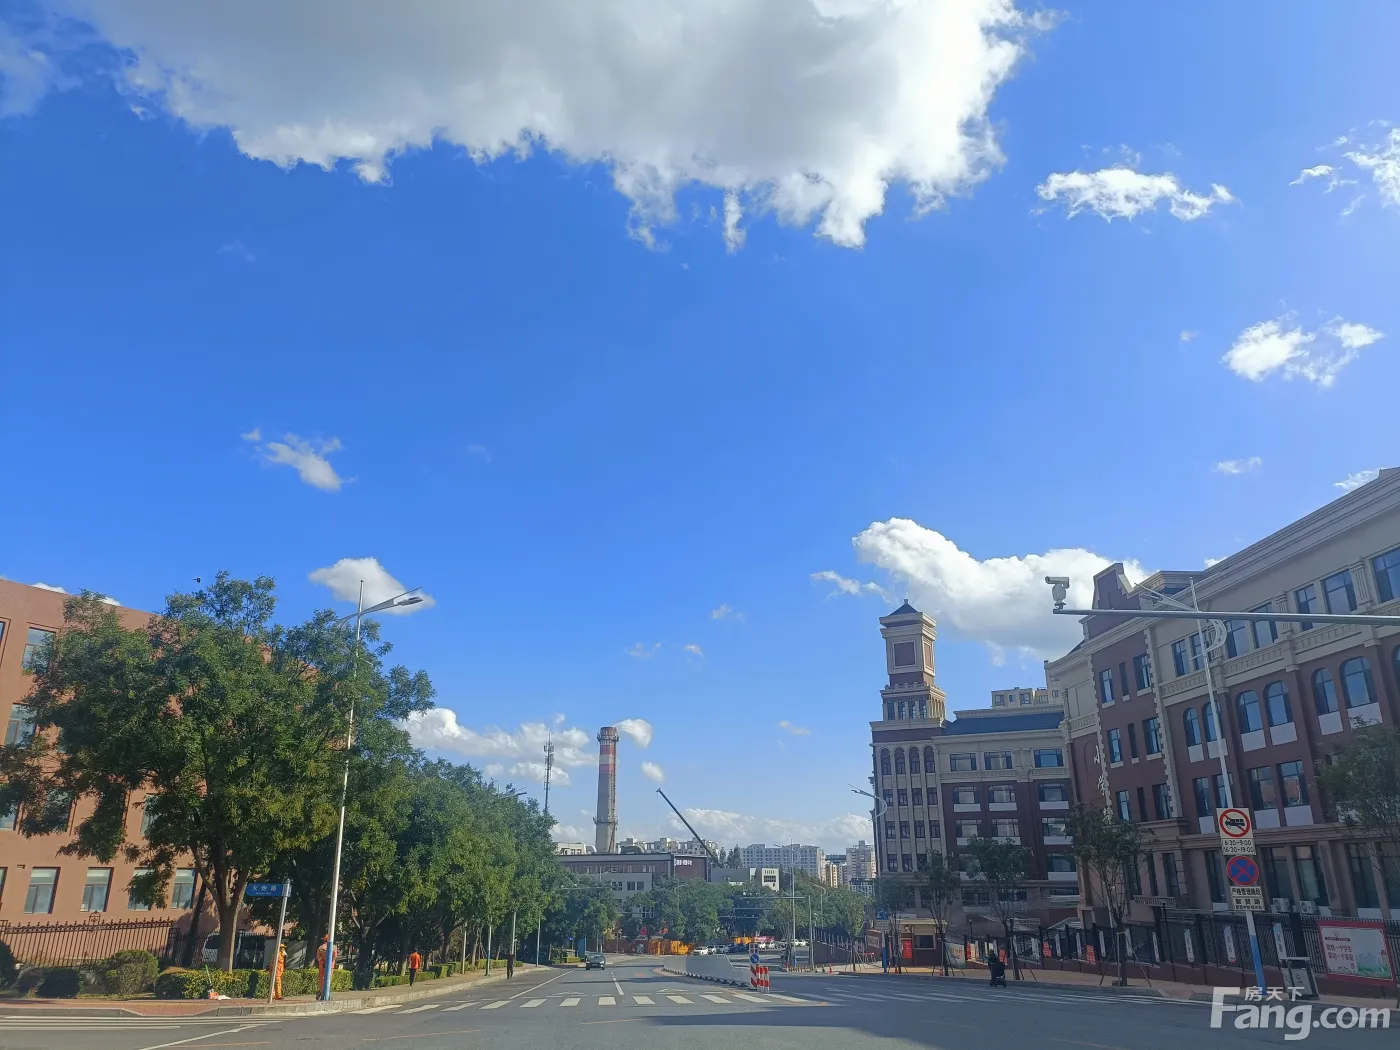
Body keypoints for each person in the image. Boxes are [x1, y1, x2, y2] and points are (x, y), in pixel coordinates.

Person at [315, 935, 331, 1000]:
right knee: (329, 979)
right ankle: (326, 994)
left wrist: (322, 960)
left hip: (322, 965)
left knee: (322, 979)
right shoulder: (334, 947)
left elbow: (318, 956)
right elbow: (335, 956)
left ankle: (321, 992)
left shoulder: (321, 947)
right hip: (330, 965)